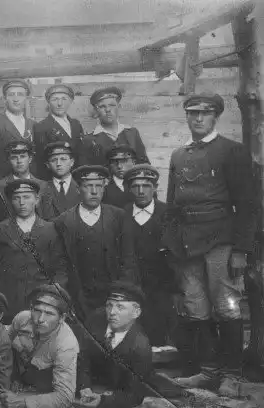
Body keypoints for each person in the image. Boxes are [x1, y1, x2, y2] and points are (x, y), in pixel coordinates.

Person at [163, 93, 258, 386]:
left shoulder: (232, 151)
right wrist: (170, 244)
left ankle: (231, 375)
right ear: (187, 116)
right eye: (193, 113)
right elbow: (171, 205)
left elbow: (247, 205)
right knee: (196, 307)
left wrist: (241, 250)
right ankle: (208, 372)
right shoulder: (179, 155)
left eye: (205, 113)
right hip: (186, 243)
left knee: (227, 306)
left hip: (220, 241)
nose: (198, 118)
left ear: (215, 116)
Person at [54, 165, 136, 319]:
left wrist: (122, 293)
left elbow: (128, 259)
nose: (94, 191)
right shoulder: (63, 221)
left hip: (112, 295)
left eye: (99, 186)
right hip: (78, 297)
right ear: (78, 189)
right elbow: (60, 265)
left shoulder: (118, 217)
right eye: (88, 186)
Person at [0, 179, 69, 324]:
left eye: (27, 197)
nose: (22, 202)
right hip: (8, 300)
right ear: (10, 201)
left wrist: (53, 294)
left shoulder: (50, 229)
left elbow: (60, 268)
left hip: (40, 301)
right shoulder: (0, 229)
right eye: (16, 198)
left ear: (37, 200)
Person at [0, 284, 79, 408]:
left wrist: (22, 402)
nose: (40, 319)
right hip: (20, 377)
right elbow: (3, 347)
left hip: (41, 386)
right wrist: (12, 377)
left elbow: (65, 396)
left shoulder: (66, 343)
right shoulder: (23, 318)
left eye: (49, 313)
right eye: (37, 310)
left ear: (62, 318)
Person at [74, 281, 152, 408]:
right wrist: (84, 386)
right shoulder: (95, 321)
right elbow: (81, 357)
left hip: (114, 396)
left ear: (136, 312)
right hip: (88, 388)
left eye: (120, 307)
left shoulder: (140, 346)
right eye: (109, 305)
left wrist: (102, 401)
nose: (112, 312)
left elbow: (135, 394)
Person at [122, 164, 176, 347]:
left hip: (163, 285)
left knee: (160, 326)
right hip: (132, 283)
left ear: (155, 188)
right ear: (129, 189)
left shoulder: (167, 213)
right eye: (136, 186)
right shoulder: (122, 214)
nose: (141, 191)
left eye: (146, 186)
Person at [78, 86, 149, 168]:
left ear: (119, 107)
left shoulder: (132, 134)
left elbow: (144, 165)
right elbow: (85, 171)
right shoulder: (88, 140)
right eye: (102, 106)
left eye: (112, 105)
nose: (108, 109)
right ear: (96, 110)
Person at [32, 85, 84, 181]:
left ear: (70, 101)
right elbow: (41, 160)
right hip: (54, 180)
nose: (60, 104)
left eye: (64, 99)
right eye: (55, 99)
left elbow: (81, 154)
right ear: (48, 102)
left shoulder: (76, 124)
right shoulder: (41, 127)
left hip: (77, 179)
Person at [0, 80, 35, 179]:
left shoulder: (33, 125)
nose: (16, 99)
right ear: (5, 99)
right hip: (5, 180)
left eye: (20, 94)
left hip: (31, 181)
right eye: (11, 95)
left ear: (26, 98)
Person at [36, 141, 81, 221]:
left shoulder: (82, 187)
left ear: (72, 162)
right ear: (48, 165)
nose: (59, 164)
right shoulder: (41, 190)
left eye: (63, 159)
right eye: (54, 160)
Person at [102, 144, 136, 208]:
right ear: (109, 165)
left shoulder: (143, 184)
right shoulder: (102, 187)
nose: (119, 166)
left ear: (134, 162)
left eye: (124, 161)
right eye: (114, 162)